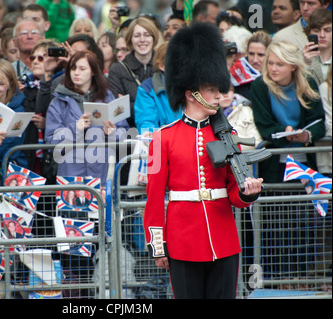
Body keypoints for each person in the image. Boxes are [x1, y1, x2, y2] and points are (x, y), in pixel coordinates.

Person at [143, 23, 263, 299]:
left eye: (218, 89)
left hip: (223, 239)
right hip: (182, 241)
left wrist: (247, 194)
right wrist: (157, 245)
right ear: (191, 93)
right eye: (211, 90)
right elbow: (153, 198)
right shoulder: (162, 139)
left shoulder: (227, 133)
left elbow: (233, 190)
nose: (219, 95)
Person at [45, 50, 129, 185]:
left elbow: (124, 133)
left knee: (104, 206)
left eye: (82, 68)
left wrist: (113, 134)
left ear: (93, 72)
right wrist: (75, 129)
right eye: (73, 68)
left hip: (102, 171)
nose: (76, 72)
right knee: (71, 207)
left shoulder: (107, 98)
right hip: (71, 173)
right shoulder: (58, 101)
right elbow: (50, 141)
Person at [250, 41, 326, 183]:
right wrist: (285, 131)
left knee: (304, 204)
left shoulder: (307, 83)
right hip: (273, 162)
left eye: (280, 64)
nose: (273, 69)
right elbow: (264, 125)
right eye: (270, 63)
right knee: (276, 203)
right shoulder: (259, 86)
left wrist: (307, 135)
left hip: (305, 160)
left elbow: (319, 122)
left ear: (293, 66)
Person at [22, 39, 65, 174]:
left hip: (53, 155)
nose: (35, 61)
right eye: (32, 57)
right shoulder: (23, 84)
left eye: (41, 58)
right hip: (29, 152)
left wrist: (48, 123)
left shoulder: (62, 83)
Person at [108, 17, 160, 127]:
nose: (142, 39)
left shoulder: (164, 67)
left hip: (162, 131)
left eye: (147, 35)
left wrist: (128, 105)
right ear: (130, 40)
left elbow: (171, 107)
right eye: (137, 36)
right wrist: (156, 105)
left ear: (153, 38)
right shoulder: (117, 70)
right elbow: (117, 111)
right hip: (128, 133)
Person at [134, 42, 181, 136]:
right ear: (162, 66)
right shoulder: (147, 89)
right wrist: (148, 133)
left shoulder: (195, 86)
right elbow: (146, 120)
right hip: (161, 143)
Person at [302, 8, 332, 86]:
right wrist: (306, 64)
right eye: (316, 30)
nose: (322, 35)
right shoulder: (301, 58)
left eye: (327, 30)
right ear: (309, 33)